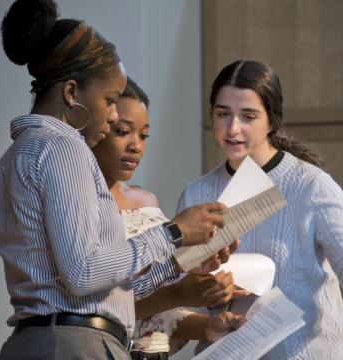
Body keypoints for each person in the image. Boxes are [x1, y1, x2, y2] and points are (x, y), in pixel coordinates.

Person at [0, 1, 229, 359]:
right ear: (71, 93)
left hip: (40, 342)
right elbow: (84, 272)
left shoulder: (9, 160)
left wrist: (179, 259)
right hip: (75, 345)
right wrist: (172, 233)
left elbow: (94, 290)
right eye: (110, 99)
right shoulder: (63, 146)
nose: (114, 112)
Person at [177, 59, 343, 359]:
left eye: (248, 116)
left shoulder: (312, 186)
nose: (232, 128)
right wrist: (208, 295)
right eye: (222, 114)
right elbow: (180, 302)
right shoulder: (195, 195)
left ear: (272, 120)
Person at [92, 77, 244, 360]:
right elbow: (106, 306)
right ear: (98, 127)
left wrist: (208, 326)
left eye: (144, 135)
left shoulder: (148, 202)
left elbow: (162, 316)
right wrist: (182, 292)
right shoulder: (83, 208)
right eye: (123, 131)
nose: (136, 146)